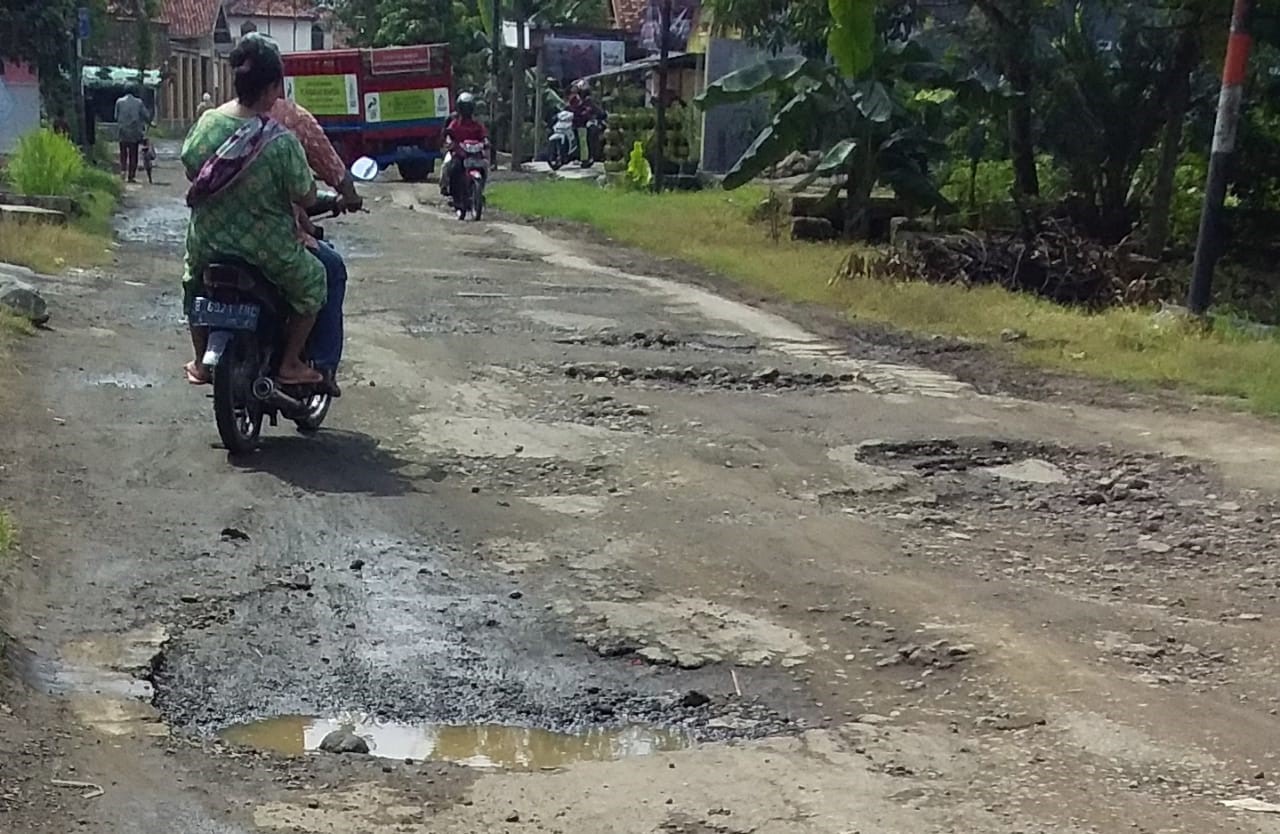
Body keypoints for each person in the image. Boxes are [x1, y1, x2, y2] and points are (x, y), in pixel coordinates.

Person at [180, 35, 326, 388]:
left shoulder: (207, 125)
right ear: (274, 86)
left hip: (209, 243)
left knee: (193, 284)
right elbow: (306, 196)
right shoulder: (280, 141)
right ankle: (289, 363)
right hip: (268, 251)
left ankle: (201, 362)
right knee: (316, 280)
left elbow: (190, 167)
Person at [268, 92, 363, 395]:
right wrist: (349, 195)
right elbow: (319, 183)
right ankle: (320, 364)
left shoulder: (218, 121)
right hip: (274, 238)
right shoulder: (292, 122)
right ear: (275, 82)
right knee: (330, 269)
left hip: (216, 238)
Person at [440, 92, 488, 198]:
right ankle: (447, 189)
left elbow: (483, 135)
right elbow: (448, 134)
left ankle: (479, 192)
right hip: (458, 153)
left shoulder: (477, 124)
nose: (466, 110)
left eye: (468, 107)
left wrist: (485, 142)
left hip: (474, 154)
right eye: (464, 107)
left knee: (484, 165)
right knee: (448, 166)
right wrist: (449, 143)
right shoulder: (455, 123)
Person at [114, 84, 150, 183]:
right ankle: (131, 176)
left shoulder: (119, 102)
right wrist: (149, 122)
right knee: (133, 154)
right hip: (134, 132)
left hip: (123, 131)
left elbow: (116, 116)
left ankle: (122, 172)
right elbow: (145, 115)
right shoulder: (139, 102)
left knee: (123, 153)